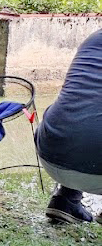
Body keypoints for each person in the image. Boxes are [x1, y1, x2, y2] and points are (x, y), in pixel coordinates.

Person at [36, 30, 102, 225]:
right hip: (94, 167)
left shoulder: (94, 39)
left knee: (76, 112)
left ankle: (65, 200)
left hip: (50, 154)